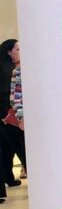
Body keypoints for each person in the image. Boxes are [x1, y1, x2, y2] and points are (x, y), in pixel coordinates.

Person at [0, 40, 25, 185]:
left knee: (8, 149)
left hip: (8, 116)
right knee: (20, 147)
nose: (20, 52)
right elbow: (13, 96)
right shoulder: (10, 70)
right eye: (17, 49)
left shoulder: (10, 68)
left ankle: (8, 178)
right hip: (10, 115)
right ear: (9, 52)